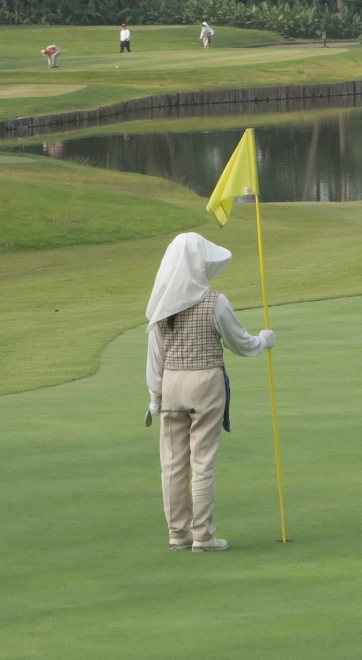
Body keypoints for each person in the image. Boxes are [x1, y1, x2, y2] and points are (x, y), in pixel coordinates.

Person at [145, 232, 276, 552]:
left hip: (171, 385)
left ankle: (178, 533)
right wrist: (264, 341)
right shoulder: (215, 302)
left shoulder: (162, 307)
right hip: (205, 384)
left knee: (174, 463)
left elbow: (155, 357)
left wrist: (154, 398)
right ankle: (202, 535)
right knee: (202, 461)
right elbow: (241, 343)